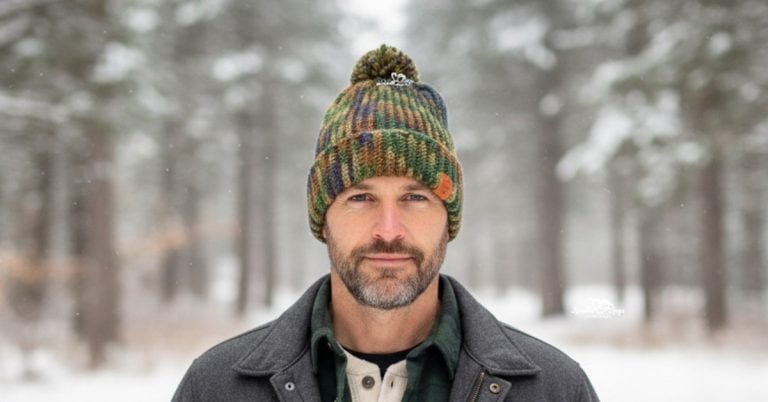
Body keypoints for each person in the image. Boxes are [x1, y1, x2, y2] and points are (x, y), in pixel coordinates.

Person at [172, 44, 599, 402]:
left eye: (415, 197)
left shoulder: (554, 389)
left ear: (448, 218)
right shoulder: (215, 388)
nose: (389, 229)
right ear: (322, 218)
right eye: (361, 197)